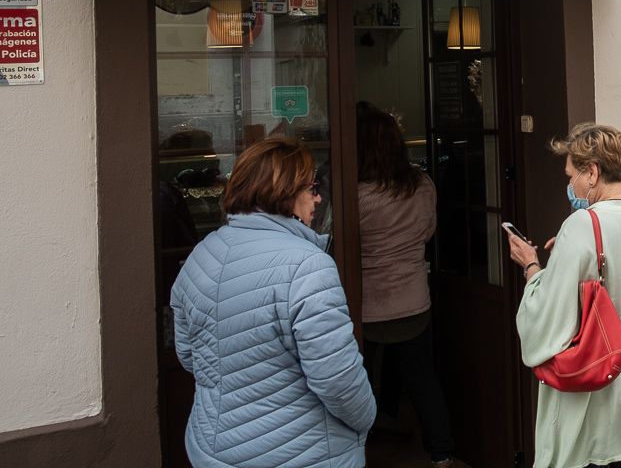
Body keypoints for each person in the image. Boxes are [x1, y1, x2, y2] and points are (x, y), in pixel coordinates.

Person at [170, 137, 375, 468]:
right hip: (303, 454)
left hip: (212, 449)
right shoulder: (308, 265)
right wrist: (367, 419)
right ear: (285, 193)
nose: (318, 197)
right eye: (312, 187)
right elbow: (338, 381)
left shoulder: (203, 253)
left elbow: (188, 354)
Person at [506, 123, 621, 468]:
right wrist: (569, 255)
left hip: (602, 406)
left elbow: (546, 318)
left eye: (572, 176)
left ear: (593, 172)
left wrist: (532, 266)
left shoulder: (583, 224)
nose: (570, 185)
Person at [355, 102, 455, 467]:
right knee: (423, 379)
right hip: (414, 299)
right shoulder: (422, 185)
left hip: (365, 305)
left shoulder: (356, 196)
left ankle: (357, 449)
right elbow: (428, 231)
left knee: (357, 381)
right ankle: (442, 453)